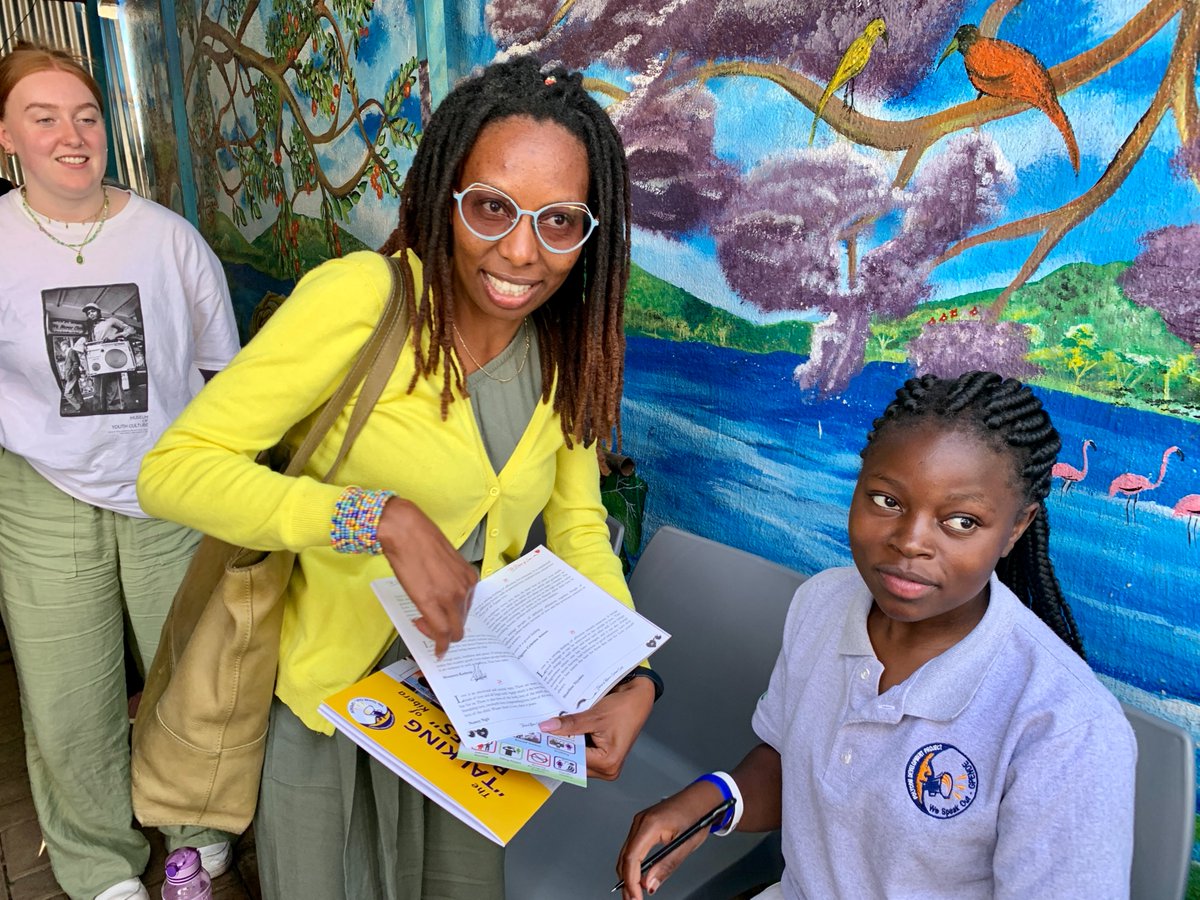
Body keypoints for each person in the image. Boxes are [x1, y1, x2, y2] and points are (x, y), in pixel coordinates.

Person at [137, 55, 657, 900]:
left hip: (470, 718)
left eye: (560, 222)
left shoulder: (562, 350)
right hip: (331, 713)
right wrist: (371, 516)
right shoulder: (363, 301)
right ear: (444, 194)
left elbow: (579, 528)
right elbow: (174, 473)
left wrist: (628, 671)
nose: (522, 252)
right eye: (492, 207)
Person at [616, 371, 1136, 900]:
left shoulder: (1067, 728)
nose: (909, 542)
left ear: (1016, 527)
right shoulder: (823, 603)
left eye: (960, 521)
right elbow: (791, 759)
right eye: (887, 501)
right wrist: (708, 803)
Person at [0, 43, 241, 900]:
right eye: (44, 116)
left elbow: (223, 374)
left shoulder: (169, 240)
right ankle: (100, 863)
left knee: (189, 670)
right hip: (40, 493)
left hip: (165, 483)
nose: (71, 134)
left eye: (87, 115)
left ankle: (195, 829)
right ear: (7, 135)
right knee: (69, 693)